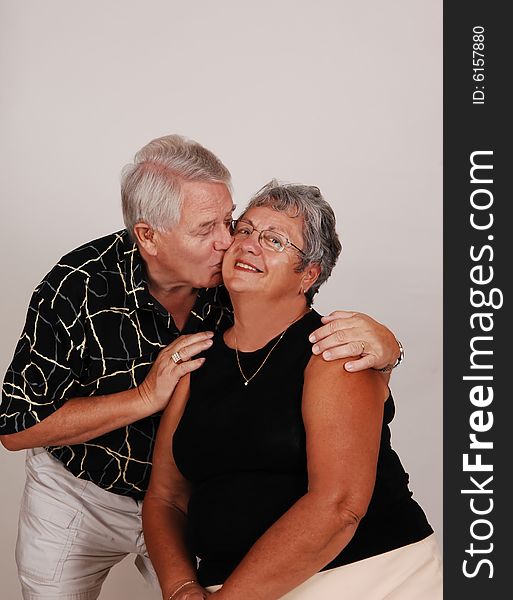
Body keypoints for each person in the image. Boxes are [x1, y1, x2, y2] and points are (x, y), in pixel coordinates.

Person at [0, 135, 402, 600]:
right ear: (148, 235)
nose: (229, 241)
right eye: (206, 228)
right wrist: (146, 397)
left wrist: (390, 354)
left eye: (230, 221)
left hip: (188, 502)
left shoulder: (233, 279)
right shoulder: (77, 287)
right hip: (82, 493)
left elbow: (298, 336)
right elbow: (15, 428)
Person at [142, 181, 442, 600]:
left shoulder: (335, 350)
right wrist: (180, 588)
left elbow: (339, 507)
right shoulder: (195, 358)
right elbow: (166, 498)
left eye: (274, 240)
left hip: (366, 577)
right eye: (243, 230)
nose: (249, 245)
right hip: (225, 587)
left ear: (309, 274)